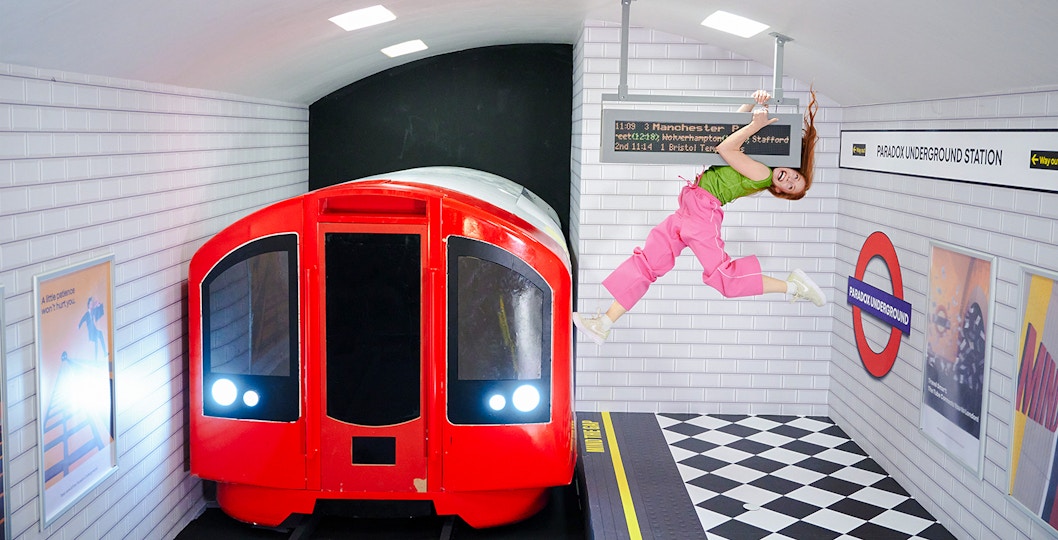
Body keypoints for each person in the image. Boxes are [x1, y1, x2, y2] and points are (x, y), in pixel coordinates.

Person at [574, 89, 826, 345]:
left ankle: (794, 286)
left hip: (702, 215)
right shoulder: (764, 159)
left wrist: (755, 125)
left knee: (724, 277)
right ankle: (604, 324)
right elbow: (722, 131)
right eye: (795, 176)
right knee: (648, 263)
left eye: (792, 185)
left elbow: (725, 147)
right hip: (688, 210)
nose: (790, 179)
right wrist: (752, 103)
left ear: (780, 191)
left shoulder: (762, 174)